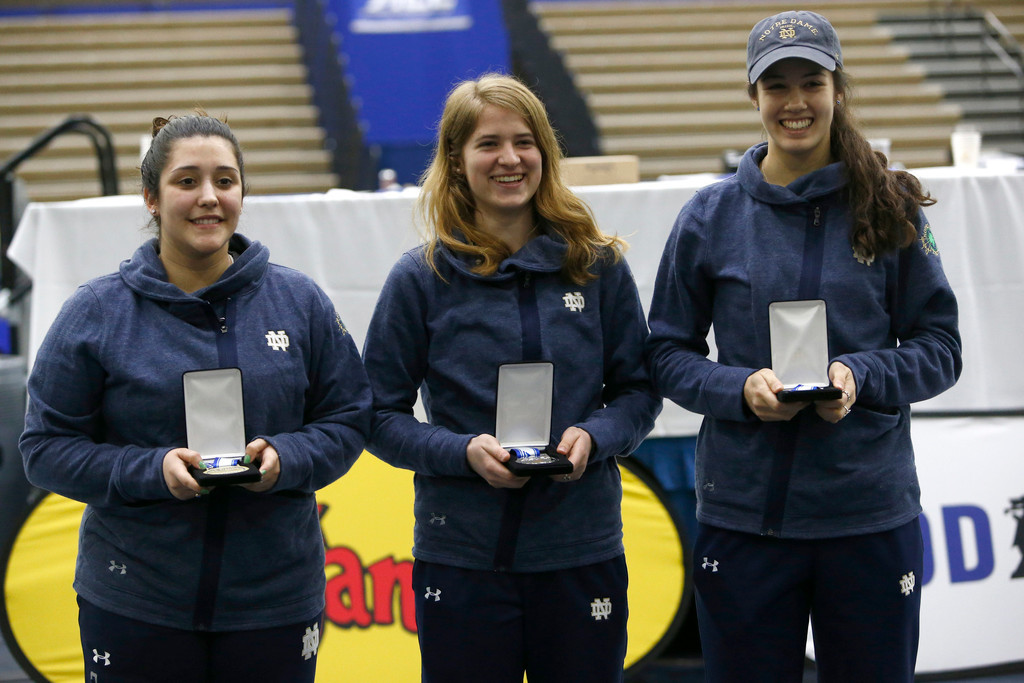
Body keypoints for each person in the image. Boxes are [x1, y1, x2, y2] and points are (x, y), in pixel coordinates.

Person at [646, 11, 962, 682]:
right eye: (777, 85)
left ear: (837, 89)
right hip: (744, 517)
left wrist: (860, 375)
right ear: (752, 96)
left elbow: (940, 347)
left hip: (868, 516)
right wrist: (739, 389)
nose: (795, 102)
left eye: (811, 82)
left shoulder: (892, 202)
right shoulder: (710, 215)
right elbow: (666, 352)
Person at [20, 112, 373, 682]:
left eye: (225, 181)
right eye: (186, 181)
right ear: (151, 198)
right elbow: (46, 450)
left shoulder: (299, 302)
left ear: (242, 193)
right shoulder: (95, 312)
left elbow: (349, 419)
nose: (208, 197)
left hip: (275, 599)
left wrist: (287, 460)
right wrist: (151, 469)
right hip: (136, 597)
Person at [361, 73, 661, 683]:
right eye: (488, 143)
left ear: (545, 154)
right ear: (456, 159)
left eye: (524, 141)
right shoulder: (420, 280)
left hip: (581, 549)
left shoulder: (595, 267)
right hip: (462, 555)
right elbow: (377, 415)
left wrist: (595, 437)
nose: (509, 159)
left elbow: (638, 390)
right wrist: (462, 451)